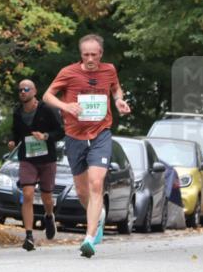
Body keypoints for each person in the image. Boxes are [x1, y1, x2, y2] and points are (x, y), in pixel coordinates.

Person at [43, 34, 131, 258]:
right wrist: (65, 106)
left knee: (96, 183)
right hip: (75, 136)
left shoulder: (109, 70)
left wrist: (119, 99)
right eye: (86, 55)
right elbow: (47, 96)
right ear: (81, 55)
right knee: (83, 191)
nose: (90, 59)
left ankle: (90, 238)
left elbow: (116, 88)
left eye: (94, 54)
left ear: (101, 54)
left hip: (101, 133)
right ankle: (98, 214)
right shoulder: (69, 72)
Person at [7, 79, 64, 251]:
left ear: (34, 91)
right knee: (28, 193)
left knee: (47, 196)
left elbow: (61, 131)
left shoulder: (47, 109)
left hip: (47, 159)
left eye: (26, 89)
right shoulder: (17, 112)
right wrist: (11, 141)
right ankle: (29, 236)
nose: (23, 92)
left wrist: (46, 136)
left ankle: (49, 215)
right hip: (28, 159)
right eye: (20, 90)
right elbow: (16, 133)